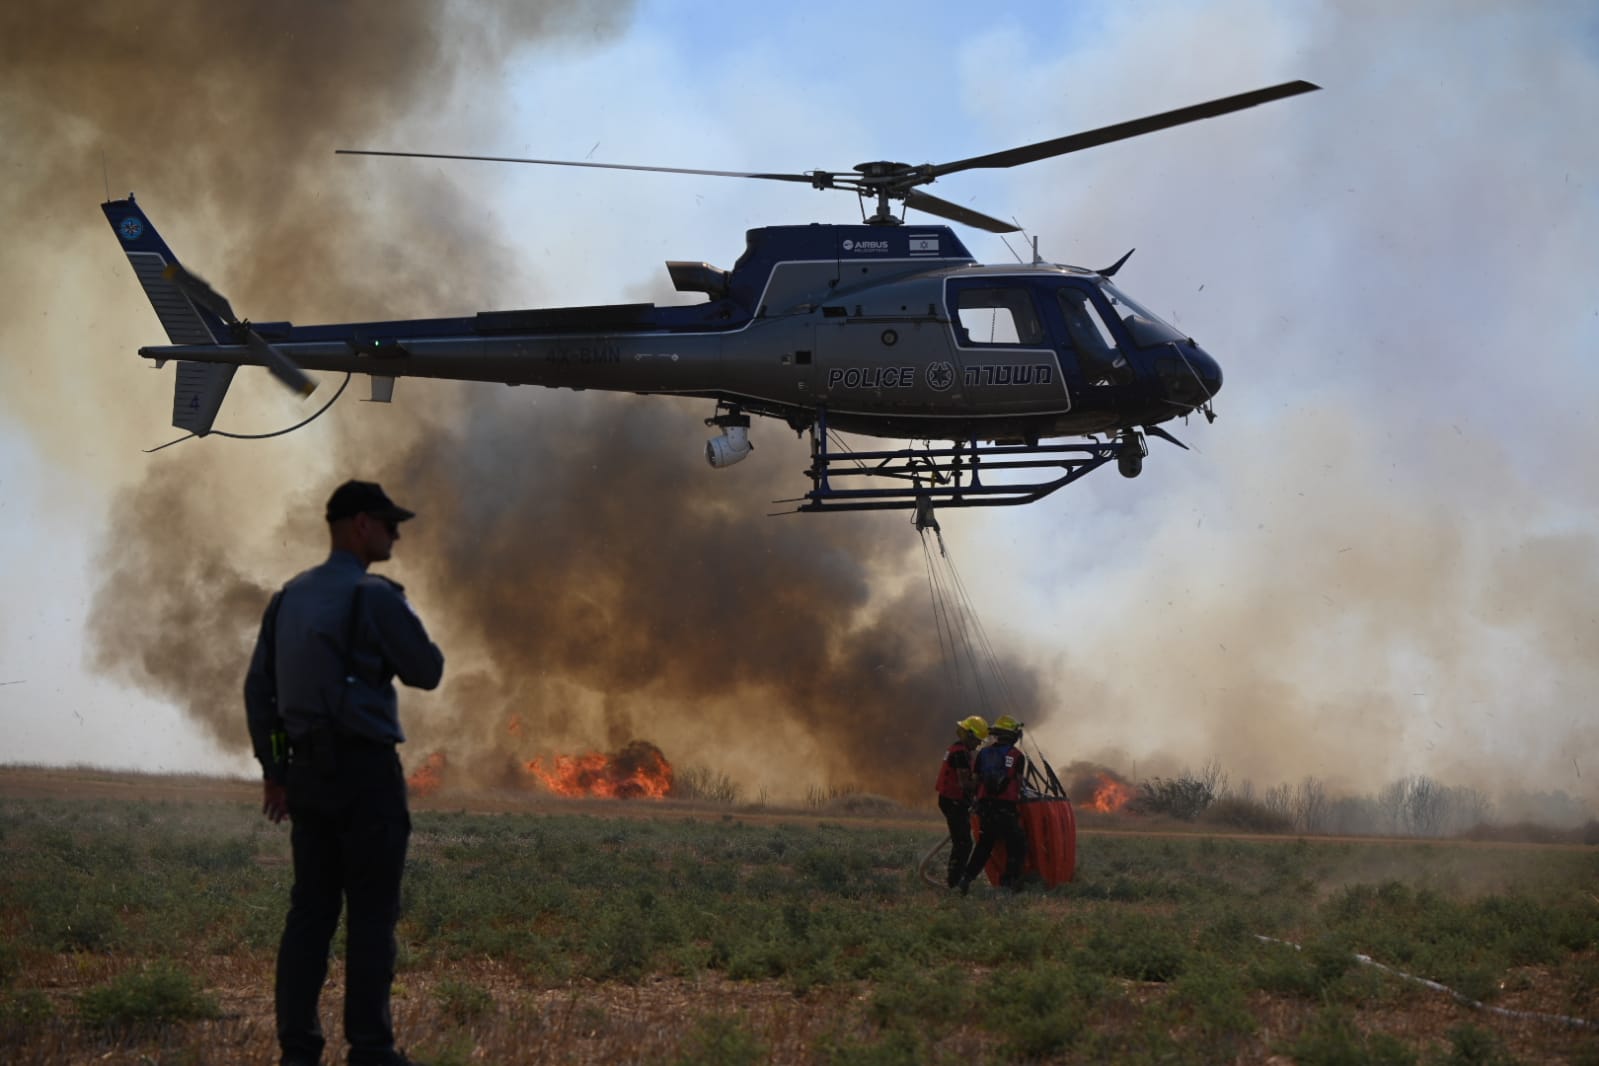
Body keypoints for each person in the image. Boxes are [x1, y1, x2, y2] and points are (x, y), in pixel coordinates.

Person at [245, 479, 445, 1066]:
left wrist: (274, 771)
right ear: (360, 524)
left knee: (310, 912)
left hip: (306, 775)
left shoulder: (287, 597)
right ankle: (371, 1050)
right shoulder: (374, 596)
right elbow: (427, 671)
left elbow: (261, 692)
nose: (396, 533)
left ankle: (298, 1050)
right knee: (371, 914)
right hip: (365, 773)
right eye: (388, 523)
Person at [956, 715, 1028, 895]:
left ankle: (966, 879)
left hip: (985, 806)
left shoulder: (984, 753)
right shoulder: (1017, 756)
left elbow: (976, 780)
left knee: (985, 844)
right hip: (1006, 807)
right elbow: (1019, 782)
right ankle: (1008, 884)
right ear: (1013, 736)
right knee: (1017, 844)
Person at [934, 716, 988, 887]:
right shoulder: (960, 753)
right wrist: (983, 782)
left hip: (952, 800)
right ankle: (954, 882)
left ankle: (954, 879)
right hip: (953, 801)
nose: (979, 744)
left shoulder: (958, 749)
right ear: (970, 735)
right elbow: (964, 783)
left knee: (962, 841)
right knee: (963, 844)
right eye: (978, 740)